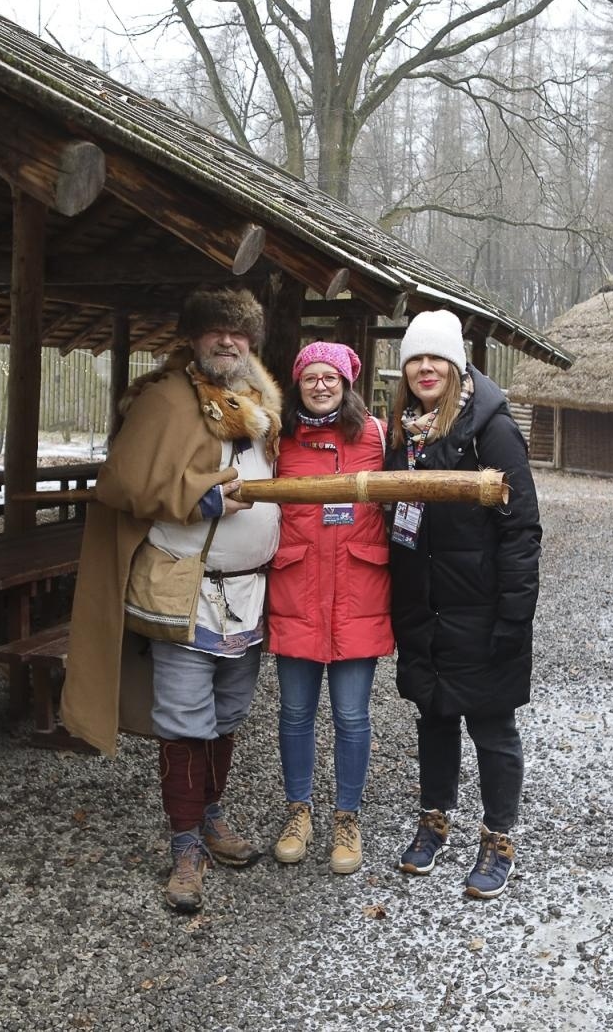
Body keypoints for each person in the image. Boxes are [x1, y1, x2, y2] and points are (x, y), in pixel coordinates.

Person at [63, 286, 282, 914]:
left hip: (247, 593)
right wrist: (203, 492)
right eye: (214, 332)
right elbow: (124, 483)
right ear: (192, 338)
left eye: (238, 334)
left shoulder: (258, 404)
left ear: (250, 343)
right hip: (181, 588)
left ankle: (211, 819)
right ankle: (185, 846)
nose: (226, 342)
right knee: (187, 720)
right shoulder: (164, 400)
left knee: (229, 715)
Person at [384, 309, 541, 899]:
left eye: (436, 358)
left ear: (457, 363)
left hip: (481, 605)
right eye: (415, 360)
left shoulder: (491, 428)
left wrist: (513, 616)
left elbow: (521, 527)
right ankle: (434, 820)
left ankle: (499, 836)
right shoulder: (405, 431)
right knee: (435, 714)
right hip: (425, 604)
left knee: (493, 725)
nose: (425, 368)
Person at [266, 342, 394, 875]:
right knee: (295, 713)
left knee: (351, 715)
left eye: (331, 377)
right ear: (298, 383)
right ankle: (299, 810)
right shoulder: (280, 441)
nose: (321, 385)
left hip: (358, 592)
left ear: (348, 382)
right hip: (297, 589)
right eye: (311, 376)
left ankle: (347, 816)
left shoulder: (377, 436)